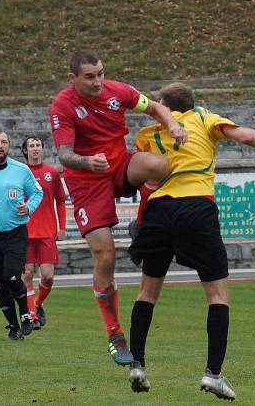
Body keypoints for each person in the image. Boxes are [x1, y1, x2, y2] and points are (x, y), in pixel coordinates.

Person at [126, 82, 255, 399]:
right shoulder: (203, 118)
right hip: (196, 207)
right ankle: (213, 374)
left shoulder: (148, 134)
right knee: (217, 295)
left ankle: (137, 364)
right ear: (192, 104)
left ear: (164, 106)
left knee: (147, 291)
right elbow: (243, 135)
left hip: (159, 211)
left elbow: (141, 176)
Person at [49, 50, 188, 366]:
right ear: (73, 79)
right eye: (89, 76)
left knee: (159, 166)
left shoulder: (118, 91)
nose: (98, 81)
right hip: (87, 180)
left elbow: (155, 107)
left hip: (119, 165)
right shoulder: (62, 105)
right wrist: (88, 161)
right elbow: (64, 154)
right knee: (106, 255)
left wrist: (173, 125)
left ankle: (140, 222)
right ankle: (114, 334)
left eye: (100, 73)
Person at [0, 130, 43, 340]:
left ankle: (26, 314)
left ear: (9, 146)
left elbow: (37, 192)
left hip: (16, 233)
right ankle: (14, 326)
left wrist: (30, 207)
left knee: (13, 275)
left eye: (4, 142)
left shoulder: (21, 170)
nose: (0, 145)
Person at [21, 135, 67, 329]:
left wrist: (62, 226)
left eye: (38, 145)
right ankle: (31, 315)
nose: (35, 148)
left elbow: (61, 200)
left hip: (47, 231)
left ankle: (37, 304)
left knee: (47, 276)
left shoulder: (51, 173)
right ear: (25, 151)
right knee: (28, 273)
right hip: (24, 231)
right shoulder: (20, 172)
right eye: (31, 146)